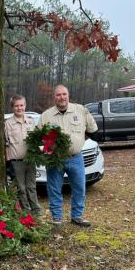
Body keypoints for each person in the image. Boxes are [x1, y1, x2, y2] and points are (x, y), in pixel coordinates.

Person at [39, 85, 98, 227]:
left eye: (64, 94)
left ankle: (77, 217)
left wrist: (79, 141)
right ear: (54, 97)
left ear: (68, 95)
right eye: (58, 95)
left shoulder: (80, 110)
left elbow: (92, 129)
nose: (62, 97)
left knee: (79, 188)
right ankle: (57, 218)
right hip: (55, 159)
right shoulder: (46, 115)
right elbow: (40, 136)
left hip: (75, 157)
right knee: (54, 189)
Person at [5, 94, 42, 216]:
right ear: (12, 107)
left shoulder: (31, 122)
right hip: (16, 162)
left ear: (25, 106)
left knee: (31, 187)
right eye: (16, 106)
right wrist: (8, 161)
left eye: (21, 105)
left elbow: (37, 140)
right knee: (21, 188)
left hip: (30, 160)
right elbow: (5, 144)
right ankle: (25, 213)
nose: (19, 108)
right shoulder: (7, 124)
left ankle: (36, 211)